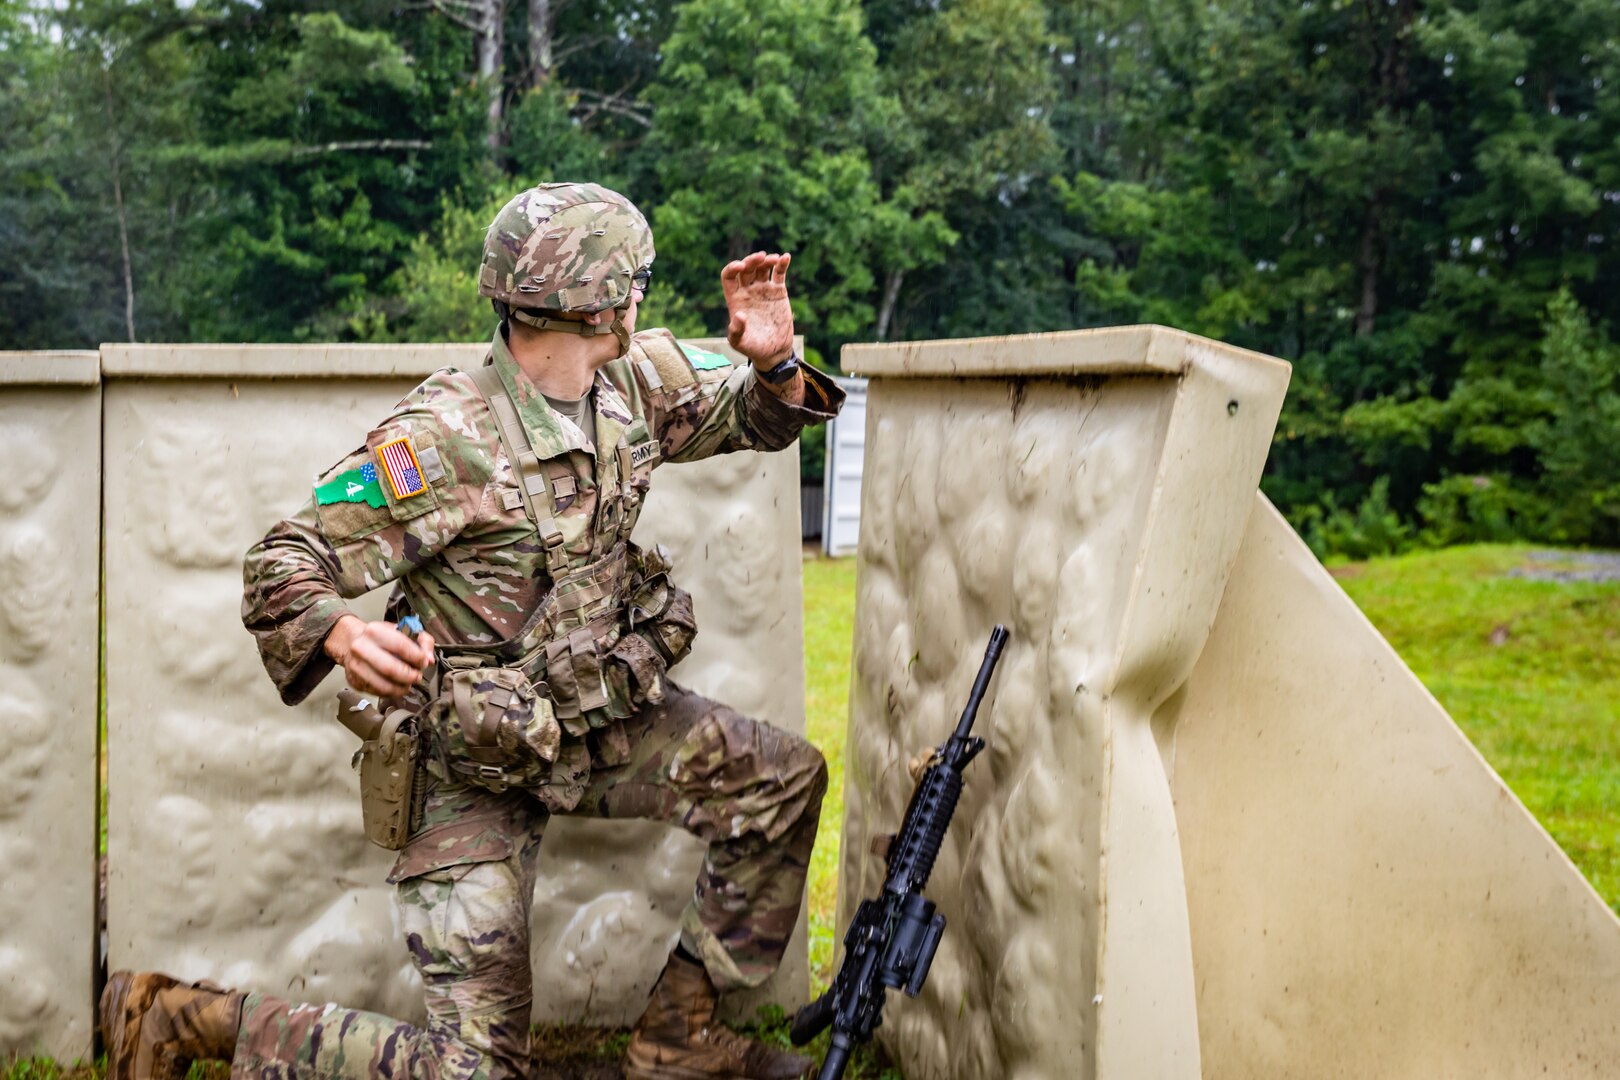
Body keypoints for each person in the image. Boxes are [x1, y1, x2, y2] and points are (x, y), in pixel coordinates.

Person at [100, 182, 844, 1080]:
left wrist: (773, 363)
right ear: (598, 301)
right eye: (633, 281)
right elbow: (282, 558)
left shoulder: (635, 382)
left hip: (597, 724)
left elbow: (756, 419)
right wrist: (338, 632)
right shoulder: (444, 437)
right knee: (480, 1072)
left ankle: (676, 1038)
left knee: (781, 781)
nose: (641, 299)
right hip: (470, 768)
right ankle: (188, 1018)